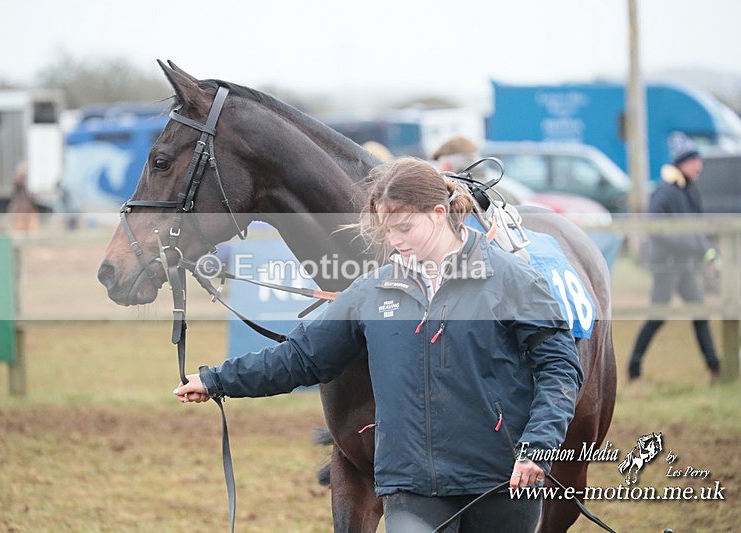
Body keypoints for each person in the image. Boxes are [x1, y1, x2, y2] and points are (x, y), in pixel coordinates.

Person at [174, 157, 583, 532]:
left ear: (439, 214)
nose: (394, 241)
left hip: (502, 481)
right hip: (411, 486)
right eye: (387, 230)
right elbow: (302, 357)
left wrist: (539, 447)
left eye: (404, 228)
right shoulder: (371, 290)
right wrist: (217, 380)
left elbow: (560, 369)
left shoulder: (512, 280)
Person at [628, 132, 722, 384]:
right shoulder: (665, 192)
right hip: (667, 266)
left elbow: (695, 230)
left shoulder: (689, 191)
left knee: (700, 313)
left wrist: (707, 252)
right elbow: (656, 228)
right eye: (694, 161)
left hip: (683, 266)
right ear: (682, 163)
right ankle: (633, 368)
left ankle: (715, 368)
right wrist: (692, 245)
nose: (699, 167)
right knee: (657, 317)